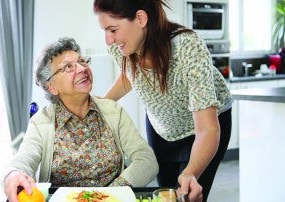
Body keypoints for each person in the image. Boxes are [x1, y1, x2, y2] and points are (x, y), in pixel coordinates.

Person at [93, 0, 233, 201]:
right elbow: (130, 75)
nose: (108, 40)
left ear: (141, 18)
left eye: (113, 29)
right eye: (104, 30)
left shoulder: (187, 46)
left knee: (186, 193)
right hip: (161, 127)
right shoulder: (119, 46)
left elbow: (207, 129)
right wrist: (104, 102)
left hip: (203, 128)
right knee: (165, 195)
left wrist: (190, 173)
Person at [2, 37, 158, 202]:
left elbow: (147, 160)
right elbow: (24, 158)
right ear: (51, 87)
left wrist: (107, 195)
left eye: (82, 62)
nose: (82, 69)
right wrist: (14, 173)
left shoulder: (113, 111)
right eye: (68, 67)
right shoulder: (42, 122)